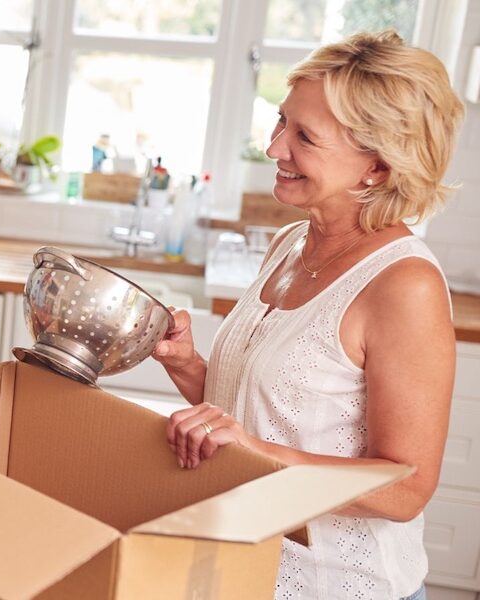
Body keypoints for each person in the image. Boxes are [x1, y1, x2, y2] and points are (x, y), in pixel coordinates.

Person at [151, 31, 463, 600]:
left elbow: (407, 489)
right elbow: (260, 417)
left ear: (377, 166)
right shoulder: (293, 243)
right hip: (244, 569)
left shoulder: (403, 286)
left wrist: (260, 453)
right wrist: (186, 364)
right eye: (279, 122)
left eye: (304, 137)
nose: (274, 148)